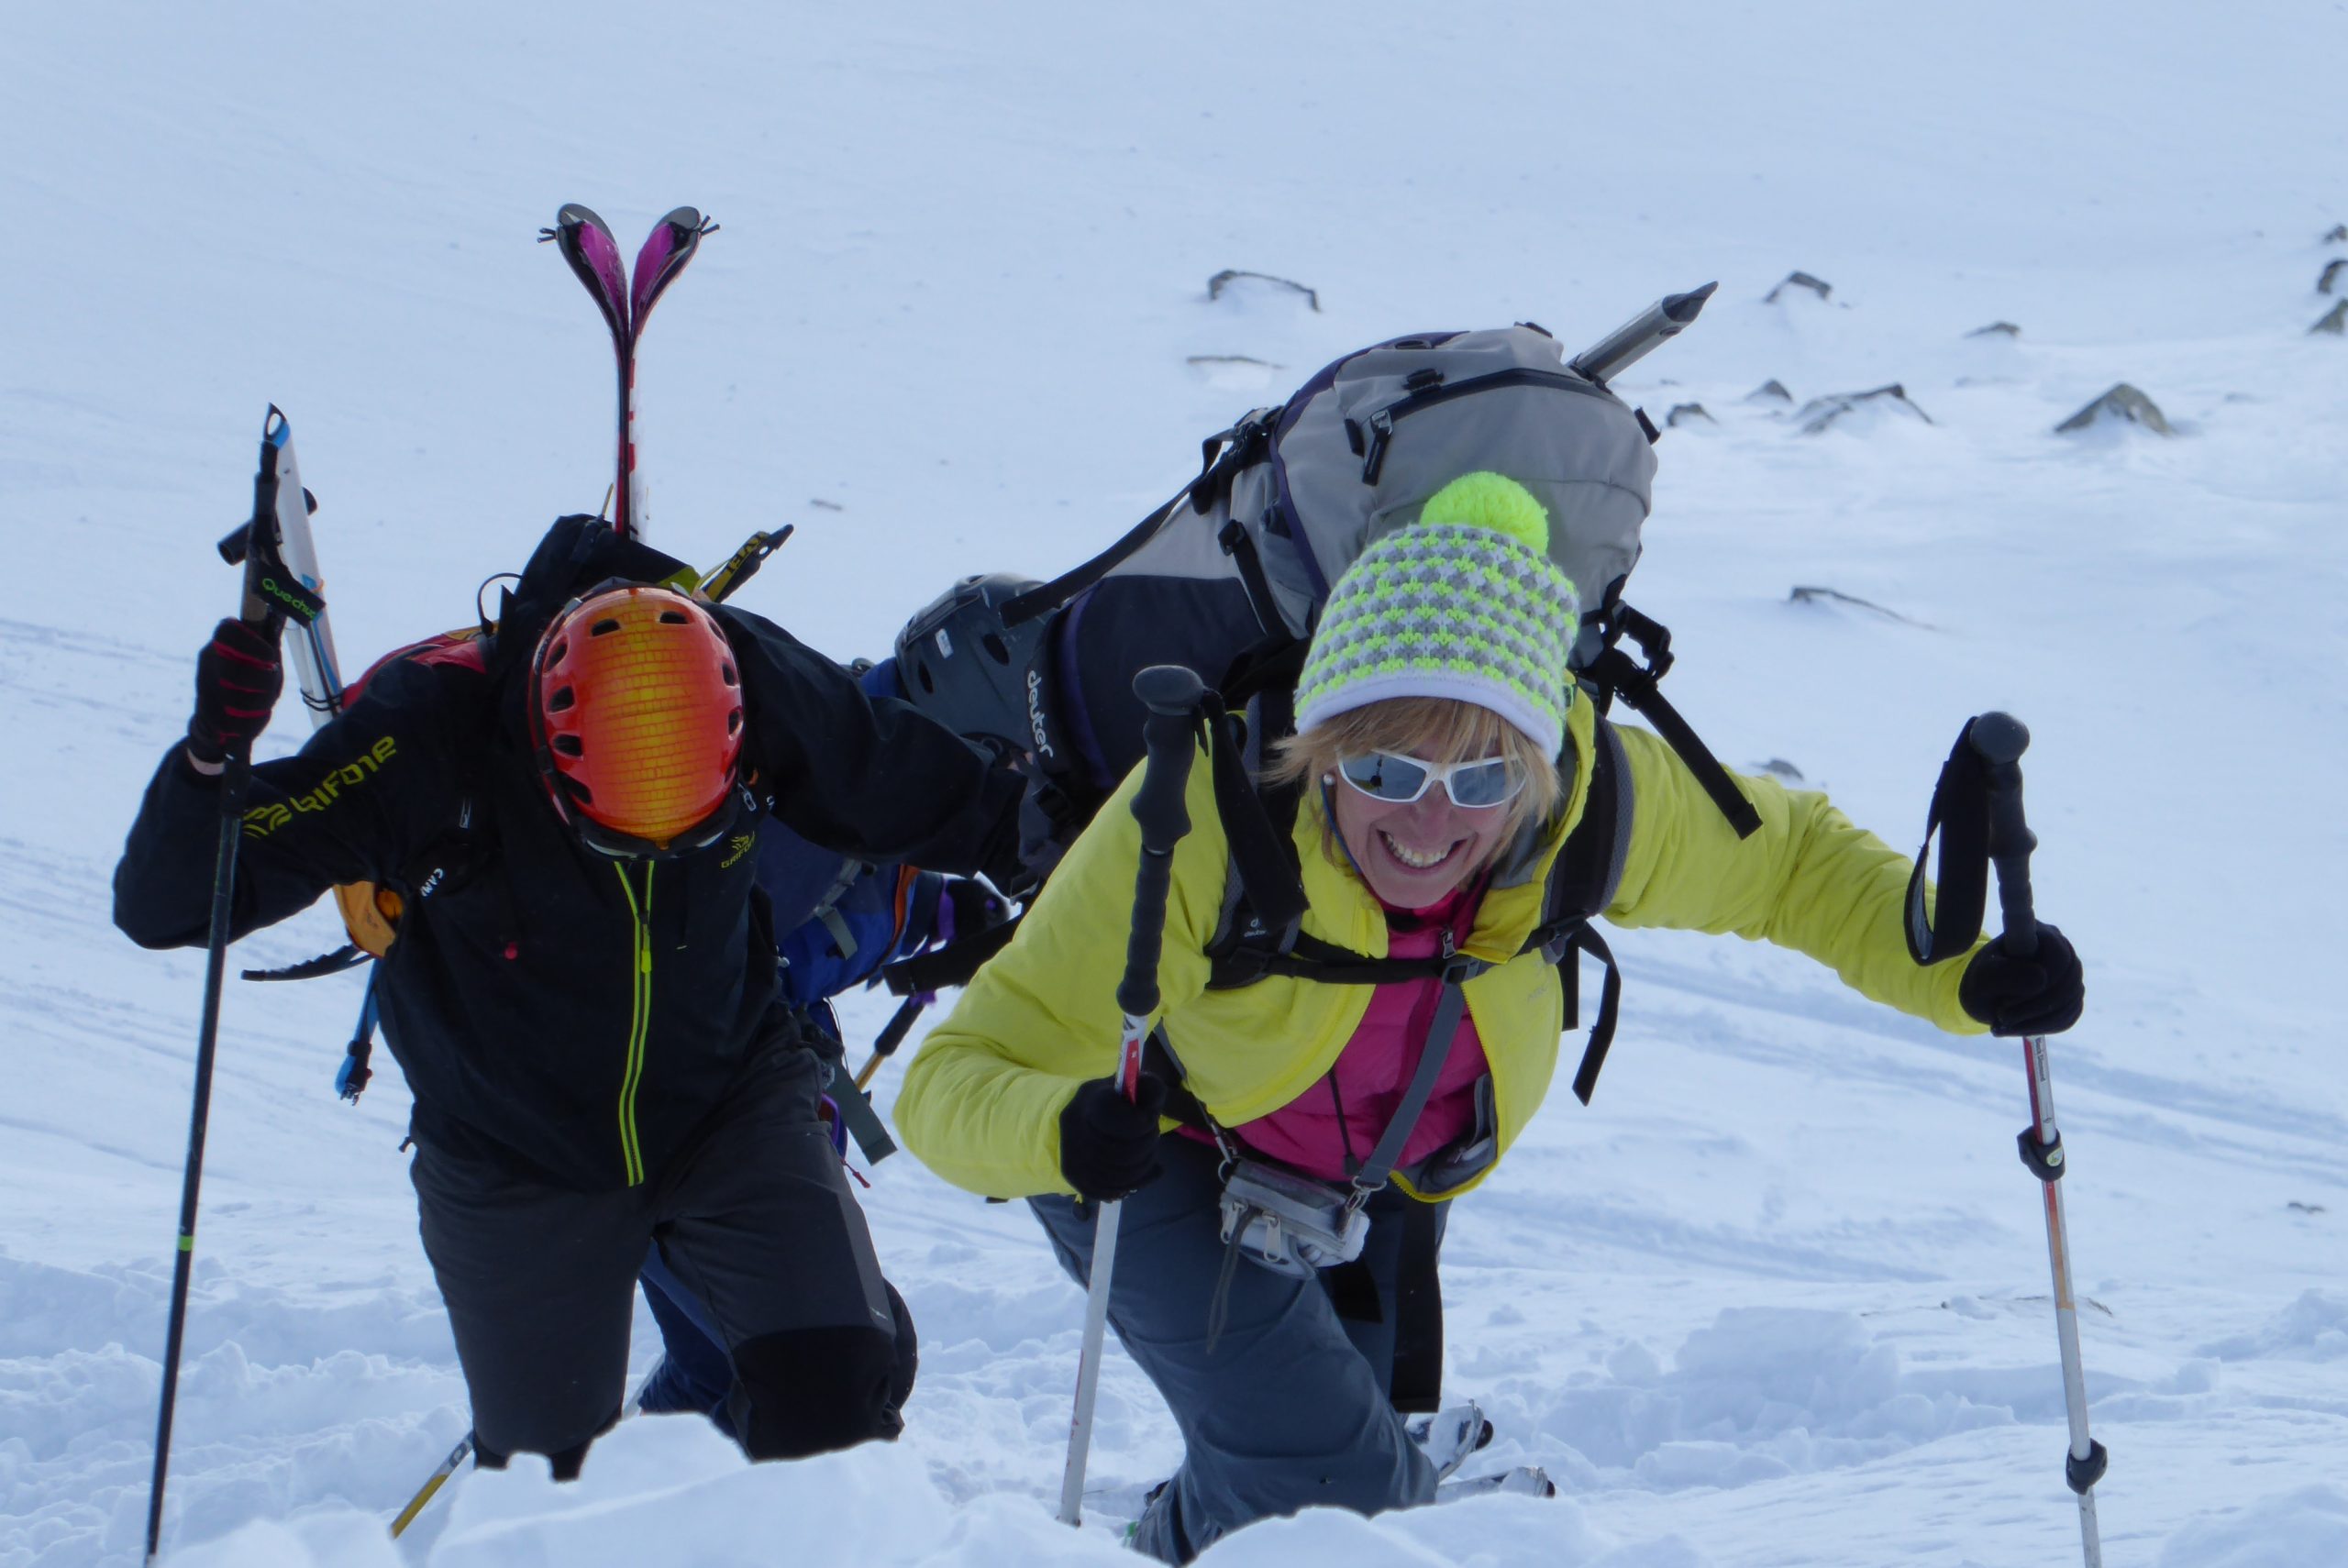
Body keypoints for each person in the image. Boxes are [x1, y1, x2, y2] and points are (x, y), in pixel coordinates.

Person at [892, 472, 2085, 1562]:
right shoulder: (1204, 813)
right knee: (1349, 1489)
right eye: (1385, 770)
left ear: (1535, 764)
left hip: (1362, 1181)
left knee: (1306, 1466)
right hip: (1154, 1159)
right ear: (1323, 750)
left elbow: (1792, 865)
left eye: (1479, 779)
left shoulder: (1590, 799)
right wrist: (1069, 1130)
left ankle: (1176, 1535)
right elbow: (955, 1075)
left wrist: (1963, 968)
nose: (1428, 821)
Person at [114, 513, 1027, 1478]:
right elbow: (171, 902)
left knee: (838, 1391)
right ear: (547, 755)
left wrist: (1066, 851)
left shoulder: (746, 675)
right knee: (550, 1485)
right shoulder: (433, 734)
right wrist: (211, 758)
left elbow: (899, 776)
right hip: (514, 1152)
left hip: (729, 1101)